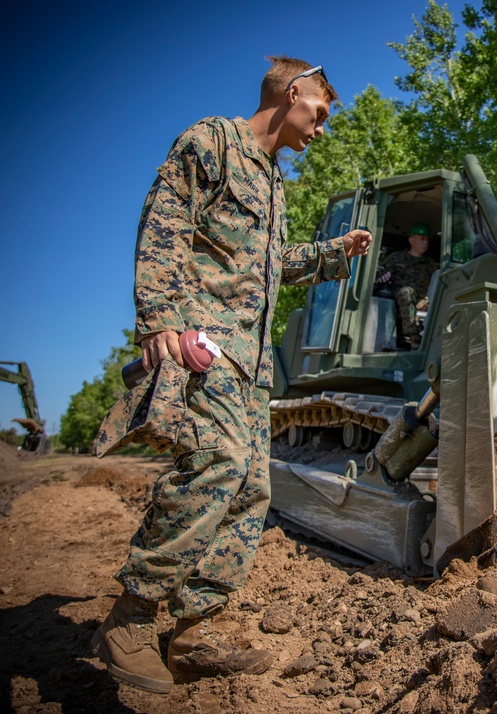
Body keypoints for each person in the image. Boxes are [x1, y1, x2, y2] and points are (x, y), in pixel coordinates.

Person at [90, 56, 372, 694]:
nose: (320, 128)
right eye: (318, 113)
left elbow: (269, 266)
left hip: (251, 360)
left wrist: (331, 254)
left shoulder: (272, 180)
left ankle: (192, 629)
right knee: (215, 462)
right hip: (203, 343)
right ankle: (130, 622)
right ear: (292, 91)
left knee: (251, 488)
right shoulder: (211, 141)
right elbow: (164, 223)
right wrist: (160, 318)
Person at [376, 222, 438, 349]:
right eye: (421, 239)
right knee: (406, 291)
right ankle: (415, 338)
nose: (425, 243)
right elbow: (381, 276)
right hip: (401, 299)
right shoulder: (396, 258)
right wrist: (383, 277)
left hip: (423, 301)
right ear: (411, 240)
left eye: (426, 240)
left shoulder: (430, 264)